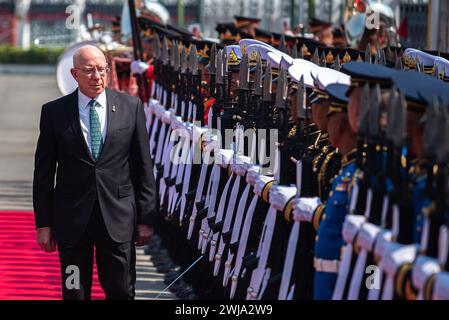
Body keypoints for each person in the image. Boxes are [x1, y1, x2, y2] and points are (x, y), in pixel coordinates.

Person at [33, 45, 157, 300]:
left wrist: (146, 218)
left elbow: (143, 166)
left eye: (102, 69)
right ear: (74, 73)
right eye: (89, 70)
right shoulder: (54, 112)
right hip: (71, 221)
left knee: (121, 291)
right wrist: (43, 224)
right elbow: (44, 173)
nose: (97, 76)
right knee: (75, 291)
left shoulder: (130, 107)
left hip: (118, 219)